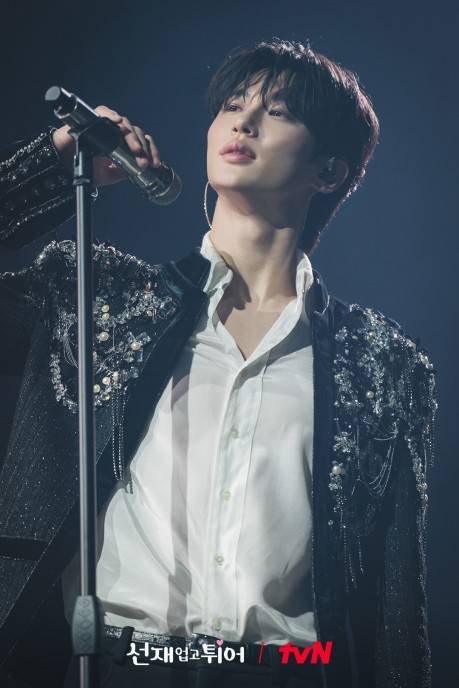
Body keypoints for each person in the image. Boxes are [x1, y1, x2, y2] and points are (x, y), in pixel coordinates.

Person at [0, 38, 437, 688]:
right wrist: (53, 163)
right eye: (233, 105)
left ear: (329, 171)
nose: (244, 122)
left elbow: (396, 604)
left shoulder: (380, 363)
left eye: (278, 112)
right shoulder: (100, 302)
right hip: (126, 668)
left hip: (292, 673)